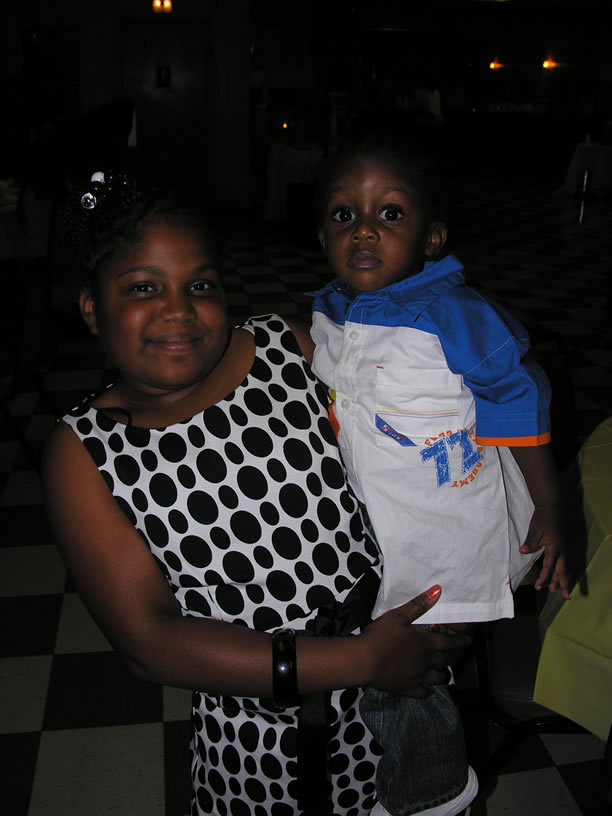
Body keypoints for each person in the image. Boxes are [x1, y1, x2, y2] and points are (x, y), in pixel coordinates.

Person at [42, 172, 471, 816]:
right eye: (143, 288)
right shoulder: (86, 453)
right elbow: (149, 641)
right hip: (261, 742)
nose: (179, 309)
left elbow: (411, 457)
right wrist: (358, 659)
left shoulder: (287, 349)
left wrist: (459, 583)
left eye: (201, 285)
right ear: (91, 309)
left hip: (400, 684)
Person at [309, 137, 571, 816]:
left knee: (406, 674)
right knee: (381, 659)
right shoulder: (330, 311)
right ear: (322, 233)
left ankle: (434, 794)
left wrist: (549, 504)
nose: (364, 229)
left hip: (449, 534)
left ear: (432, 238)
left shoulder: (456, 315)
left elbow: (517, 400)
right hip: (380, 528)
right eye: (344, 214)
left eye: (390, 214)